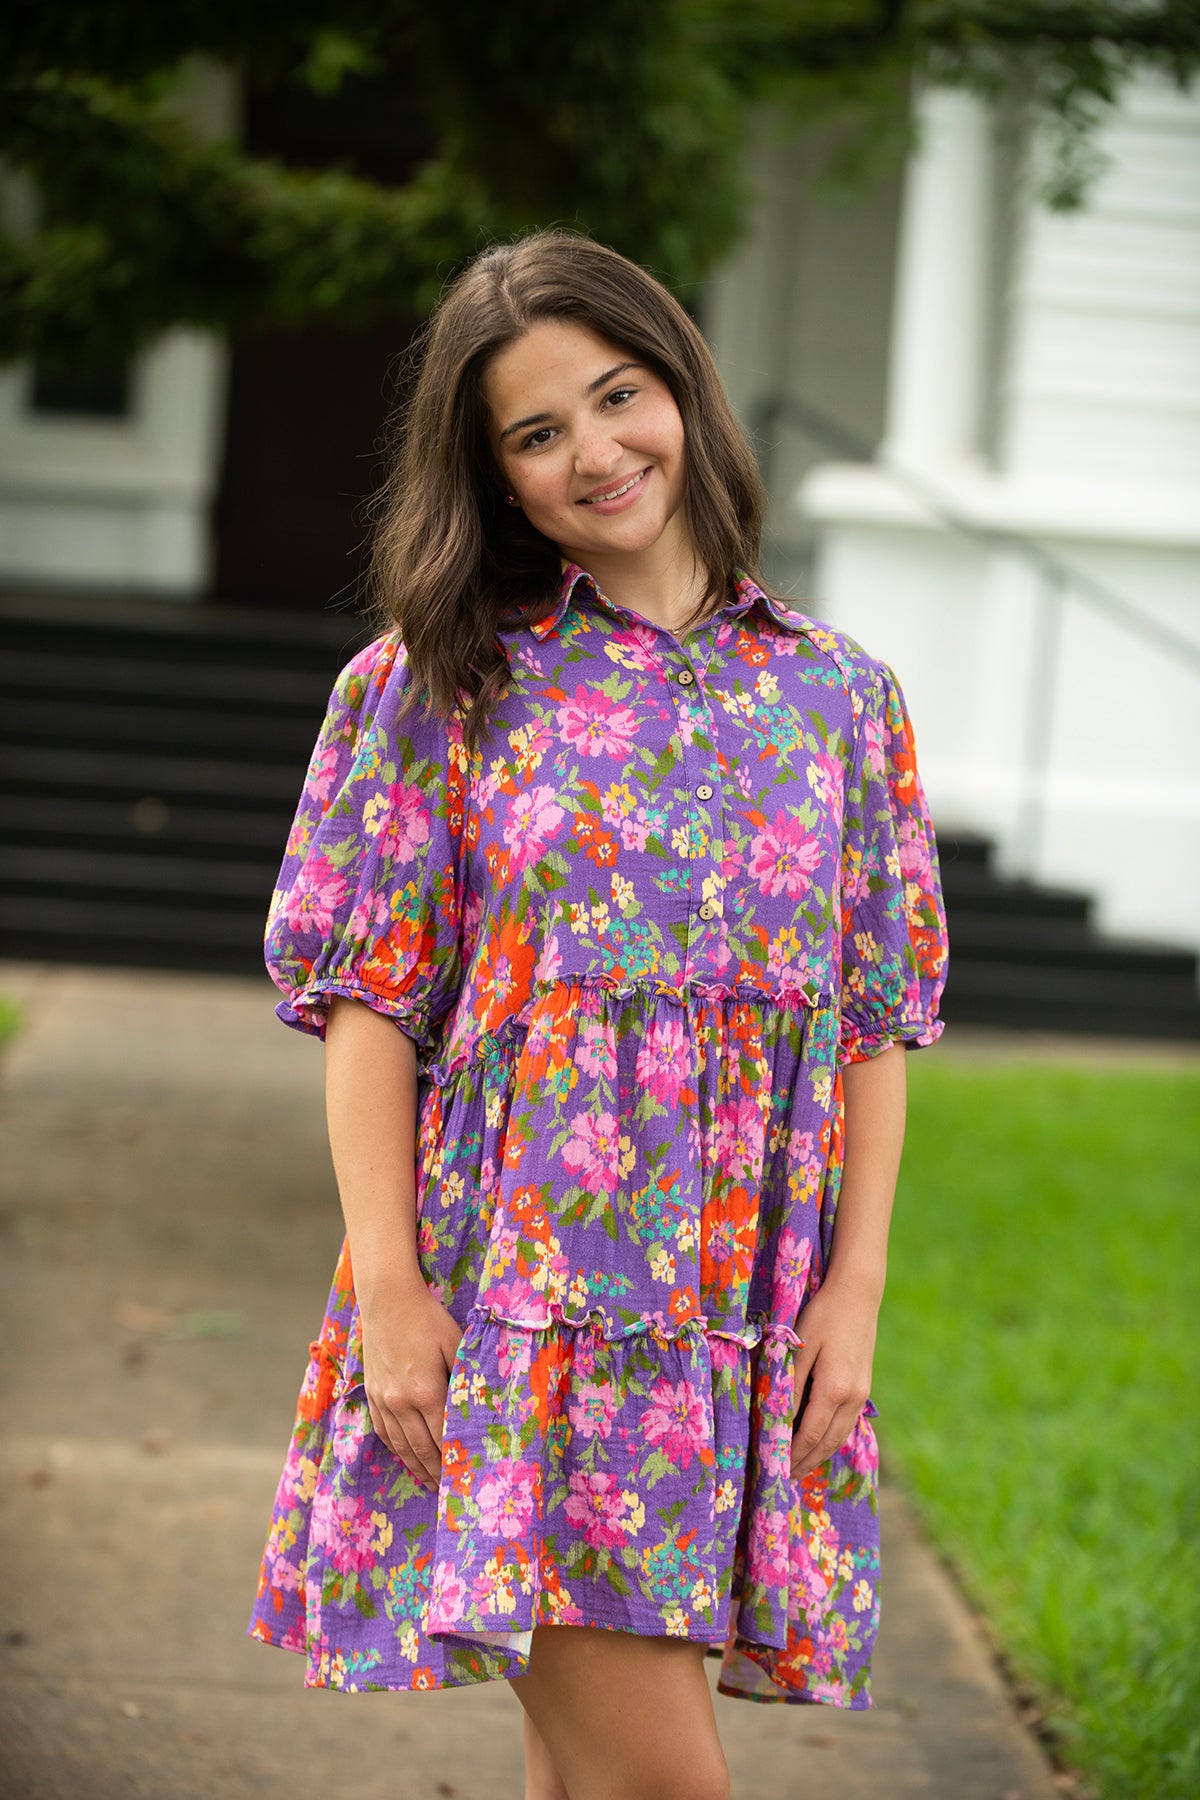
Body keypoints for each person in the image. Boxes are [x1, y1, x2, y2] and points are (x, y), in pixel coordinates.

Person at [248, 229, 948, 1800]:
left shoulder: (842, 696)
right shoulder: (445, 681)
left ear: (682, 385)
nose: (595, 452)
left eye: (617, 396)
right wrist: (391, 1296)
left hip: (745, 1312)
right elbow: (371, 1004)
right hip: (526, 1316)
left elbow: (874, 1020)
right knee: (661, 1780)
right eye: (537, 433)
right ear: (495, 477)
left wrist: (854, 1294)